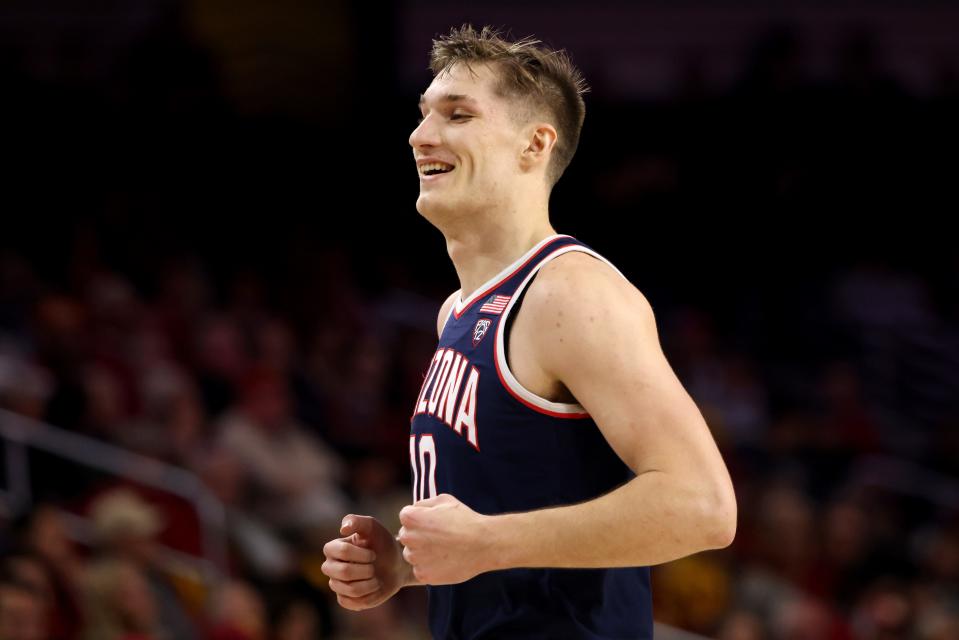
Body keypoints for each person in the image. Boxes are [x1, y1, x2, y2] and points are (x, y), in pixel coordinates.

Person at [321, 25, 737, 639]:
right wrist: (405, 567)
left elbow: (704, 507)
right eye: (423, 114)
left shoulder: (569, 293)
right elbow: (508, 516)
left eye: (458, 115)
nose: (420, 135)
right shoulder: (457, 310)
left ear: (534, 145)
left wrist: (486, 543)